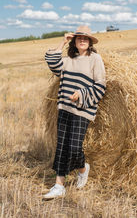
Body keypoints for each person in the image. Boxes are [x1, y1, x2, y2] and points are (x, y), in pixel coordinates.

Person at [43, 25, 106, 199]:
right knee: (62, 146)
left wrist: (82, 94)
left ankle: (83, 169)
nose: (82, 40)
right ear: (74, 41)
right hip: (64, 107)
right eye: (79, 38)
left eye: (85, 38)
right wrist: (62, 42)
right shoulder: (68, 59)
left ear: (90, 42)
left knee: (74, 147)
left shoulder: (95, 59)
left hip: (83, 109)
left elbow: (101, 85)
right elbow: (52, 61)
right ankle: (59, 185)